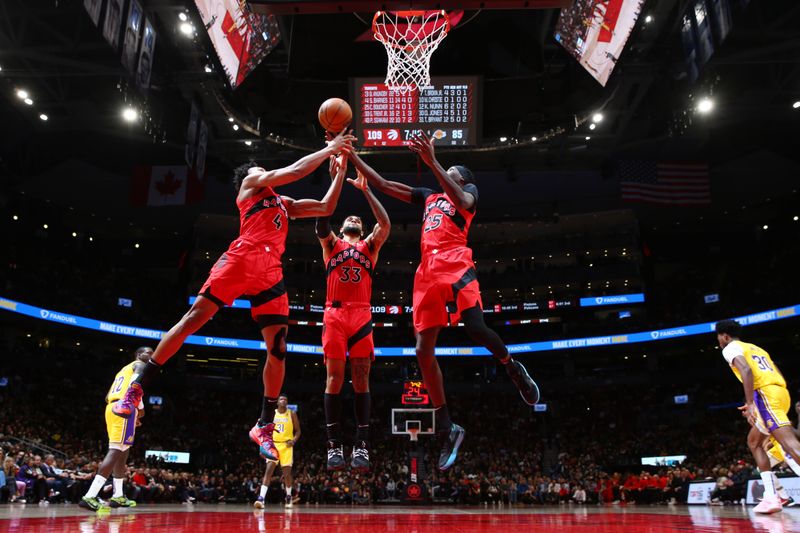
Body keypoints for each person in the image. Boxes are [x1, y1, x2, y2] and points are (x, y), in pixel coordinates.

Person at [111, 132, 355, 463]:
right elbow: (295, 172)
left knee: (279, 351)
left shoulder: (284, 204)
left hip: (270, 271)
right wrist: (329, 148)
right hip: (242, 259)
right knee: (193, 319)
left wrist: (338, 171)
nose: (260, 170)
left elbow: (327, 206)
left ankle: (263, 425)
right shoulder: (251, 185)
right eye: (256, 169)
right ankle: (138, 386)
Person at [348, 131, 539, 470]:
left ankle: (512, 367)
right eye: (444, 169)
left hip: (456, 261)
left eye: (452, 170)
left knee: (475, 326)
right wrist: (352, 155)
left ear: (462, 178)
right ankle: (448, 426)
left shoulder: (468, 194)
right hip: (427, 271)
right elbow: (383, 182)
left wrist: (433, 161)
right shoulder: (429, 196)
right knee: (422, 349)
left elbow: (462, 200)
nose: (445, 172)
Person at [315, 169, 391, 471]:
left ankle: (362, 445)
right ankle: (333, 445)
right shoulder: (331, 244)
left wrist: (365, 190)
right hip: (334, 313)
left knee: (361, 379)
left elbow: (385, 224)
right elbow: (321, 221)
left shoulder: (369, 246)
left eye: (359, 220)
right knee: (333, 379)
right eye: (352, 219)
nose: (355, 220)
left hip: (361, 313)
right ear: (344, 226)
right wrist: (336, 180)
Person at [715, 319, 800, 514]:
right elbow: (776, 371)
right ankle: (773, 497)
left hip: (766, 395)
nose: (719, 341)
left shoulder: (729, 347)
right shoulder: (756, 348)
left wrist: (752, 402)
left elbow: (746, 370)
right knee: (753, 442)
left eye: (719, 337)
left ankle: (774, 497)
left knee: (788, 444)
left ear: (725, 336)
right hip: (779, 392)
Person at [79, 347, 153, 511]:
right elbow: (135, 386)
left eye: (153, 353)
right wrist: (139, 409)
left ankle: (118, 495)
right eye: (148, 352)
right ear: (138, 355)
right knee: (116, 450)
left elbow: (107, 396)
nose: (151, 355)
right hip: (124, 407)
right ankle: (90, 496)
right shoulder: (139, 365)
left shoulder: (123, 370)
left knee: (123, 450)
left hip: (114, 406)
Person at [254, 394, 301, 509]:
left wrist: (293, 441)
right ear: (277, 402)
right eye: (281, 399)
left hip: (286, 446)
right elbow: (262, 431)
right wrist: (262, 446)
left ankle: (289, 497)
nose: (283, 400)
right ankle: (261, 499)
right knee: (268, 471)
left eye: (285, 399)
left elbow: (298, 431)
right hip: (273, 445)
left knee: (287, 475)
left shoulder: (292, 413)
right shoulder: (271, 413)